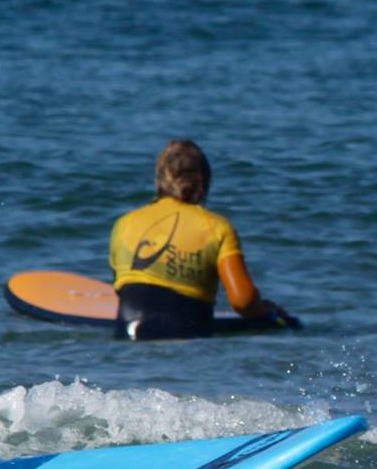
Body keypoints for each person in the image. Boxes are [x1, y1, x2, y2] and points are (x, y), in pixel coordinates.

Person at [109, 139, 290, 339]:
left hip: (127, 341)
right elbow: (243, 302)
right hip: (188, 344)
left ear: (159, 179)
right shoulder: (217, 228)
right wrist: (268, 312)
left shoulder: (124, 224)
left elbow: (122, 284)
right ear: (204, 181)